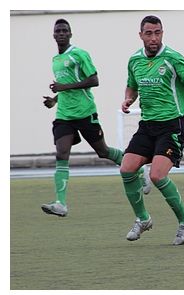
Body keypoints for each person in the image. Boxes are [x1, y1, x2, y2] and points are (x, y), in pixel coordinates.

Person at [40, 19, 151, 217]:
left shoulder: (79, 54)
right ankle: (61, 203)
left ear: (71, 34)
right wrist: (55, 100)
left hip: (85, 112)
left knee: (103, 151)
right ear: (54, 35)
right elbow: (66, 85)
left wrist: (63, 88)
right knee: (61, 152)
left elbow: (94, 80)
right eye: (58, 31)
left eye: (65, 30)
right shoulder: (54, 60)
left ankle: (139, 170)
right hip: (64, 115)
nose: (62, 33)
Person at [120, 15, 184, 245]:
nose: (154, 37)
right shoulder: (134, 61)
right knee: (126, 169)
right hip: (147, 126)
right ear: (141, 35)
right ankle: (143, 219)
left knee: (157, 175)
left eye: (158, 32)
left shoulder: (172, 57)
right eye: (149, 33)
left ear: (162, 33)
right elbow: (132, 85)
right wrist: (128, 99)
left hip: (172, 125)